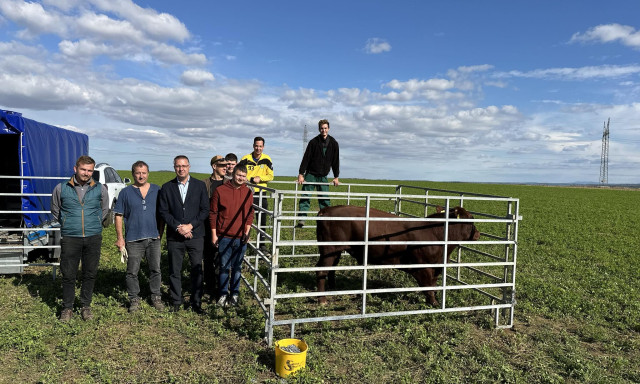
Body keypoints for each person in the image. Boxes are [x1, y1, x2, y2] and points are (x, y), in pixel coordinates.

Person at [51, 155, 109, 322]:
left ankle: (85, 306)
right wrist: (68, 222)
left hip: (93, 236)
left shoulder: (99, 188)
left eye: (90, 170)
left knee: (90, 272)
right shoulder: (61, 188)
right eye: (83, 169)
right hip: (71, 236)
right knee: (68, 273)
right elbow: (56, 210)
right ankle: (67, 308)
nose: (86, 173)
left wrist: (95, 222)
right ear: (75, 169)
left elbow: (104, 209)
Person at [158, 155, 209, 314]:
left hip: (196, 235)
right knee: (175, 270)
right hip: (175, 236)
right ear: (174, 168)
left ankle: (196, 302)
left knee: (196, 269)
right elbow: (163, 211)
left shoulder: (200, 186)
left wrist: (190, 226)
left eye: (184, 166)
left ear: (189, 166)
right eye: (178, 166)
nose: (181, 169)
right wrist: (178, 227)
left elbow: (205, 210)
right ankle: (176, 300)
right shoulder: (167, 187)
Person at [114, 161, 165, 313]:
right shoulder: (125, 193)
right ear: (133, 174)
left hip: (153, 238)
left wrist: (160, 233)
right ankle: (134, 299)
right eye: (137, 173)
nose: (141, 176)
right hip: (133, 239)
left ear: (148, 173)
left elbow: (162, 215)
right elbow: (118, 216)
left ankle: (156, 296)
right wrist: (120, 238)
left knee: (155, 269)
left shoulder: (157, 190)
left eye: (143, 173)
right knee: (132, 271)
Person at [210, 164, 253, 307]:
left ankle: (234, 294)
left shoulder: (248, 192)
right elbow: (213, 213)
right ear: (233, 174)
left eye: (243, 176)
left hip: (240, 236)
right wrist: (214, 234)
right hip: (224, 236)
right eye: (238, 175)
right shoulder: (220, 190)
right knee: (223, 266)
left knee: (237, 267)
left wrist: (247, 232)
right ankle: (223, 294)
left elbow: (249, 214)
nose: (241, 178)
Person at [296, 119, 340, 227]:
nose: (323, 130)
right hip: (311, 174)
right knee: (305, 197)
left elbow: (335, 161)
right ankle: (302, 219)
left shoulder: (334, 143)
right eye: (321, 128)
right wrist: (301, 174)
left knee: (324, 199)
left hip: (323, 176)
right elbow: (306, 158)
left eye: (325, 128)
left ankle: (326, 220)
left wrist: (336, 176)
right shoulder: (313, 142)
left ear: (328, 129)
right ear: (319, 129)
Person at [238, 137, 273, 249]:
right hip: (247, 193)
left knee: (262, 219)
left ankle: (261, 245)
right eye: (256, 146)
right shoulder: (245, 158)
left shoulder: (267, 159)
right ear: (253, 146)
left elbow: (271, 176)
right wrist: (250, 179)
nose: (258, 148)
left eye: (260, 146)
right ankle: (242, 240)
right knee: (244, 217)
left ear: (263, 147)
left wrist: (260, 178)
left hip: (261, 194)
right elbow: (239, 172)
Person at [202, 155, 227, 297]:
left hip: (223, 228)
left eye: (226, 165)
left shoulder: (228, 183)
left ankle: (221, 288)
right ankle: (209, 287)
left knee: (222, 259)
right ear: (214, 167)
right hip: (207, 227)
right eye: (222, 165)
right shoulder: (204, 184)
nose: (225, 167)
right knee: (208, 258)